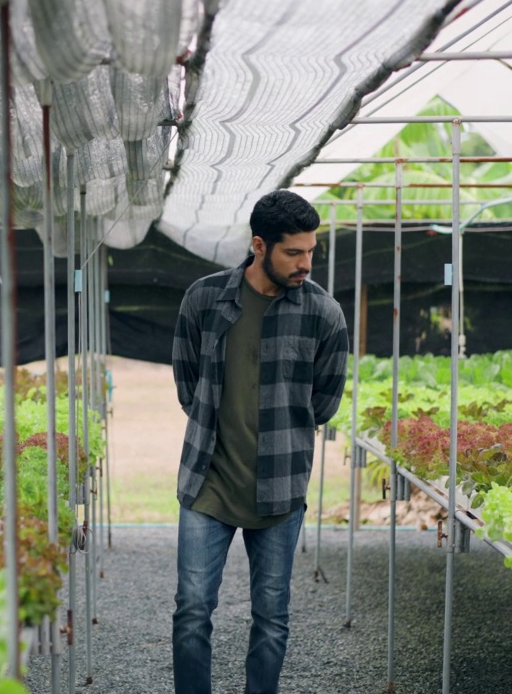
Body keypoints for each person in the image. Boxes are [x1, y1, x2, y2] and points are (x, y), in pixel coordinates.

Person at [171, 189, 349, 694]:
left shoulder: (323, 314)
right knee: (191, 612)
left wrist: (281, 434)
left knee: (271, 618)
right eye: (293, 252)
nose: (305, 263)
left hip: (280, 488)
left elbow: (325, 400)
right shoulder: (204, 299)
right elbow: (188, 384)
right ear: (258, 245)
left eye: (311, 251)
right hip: (208, 484)